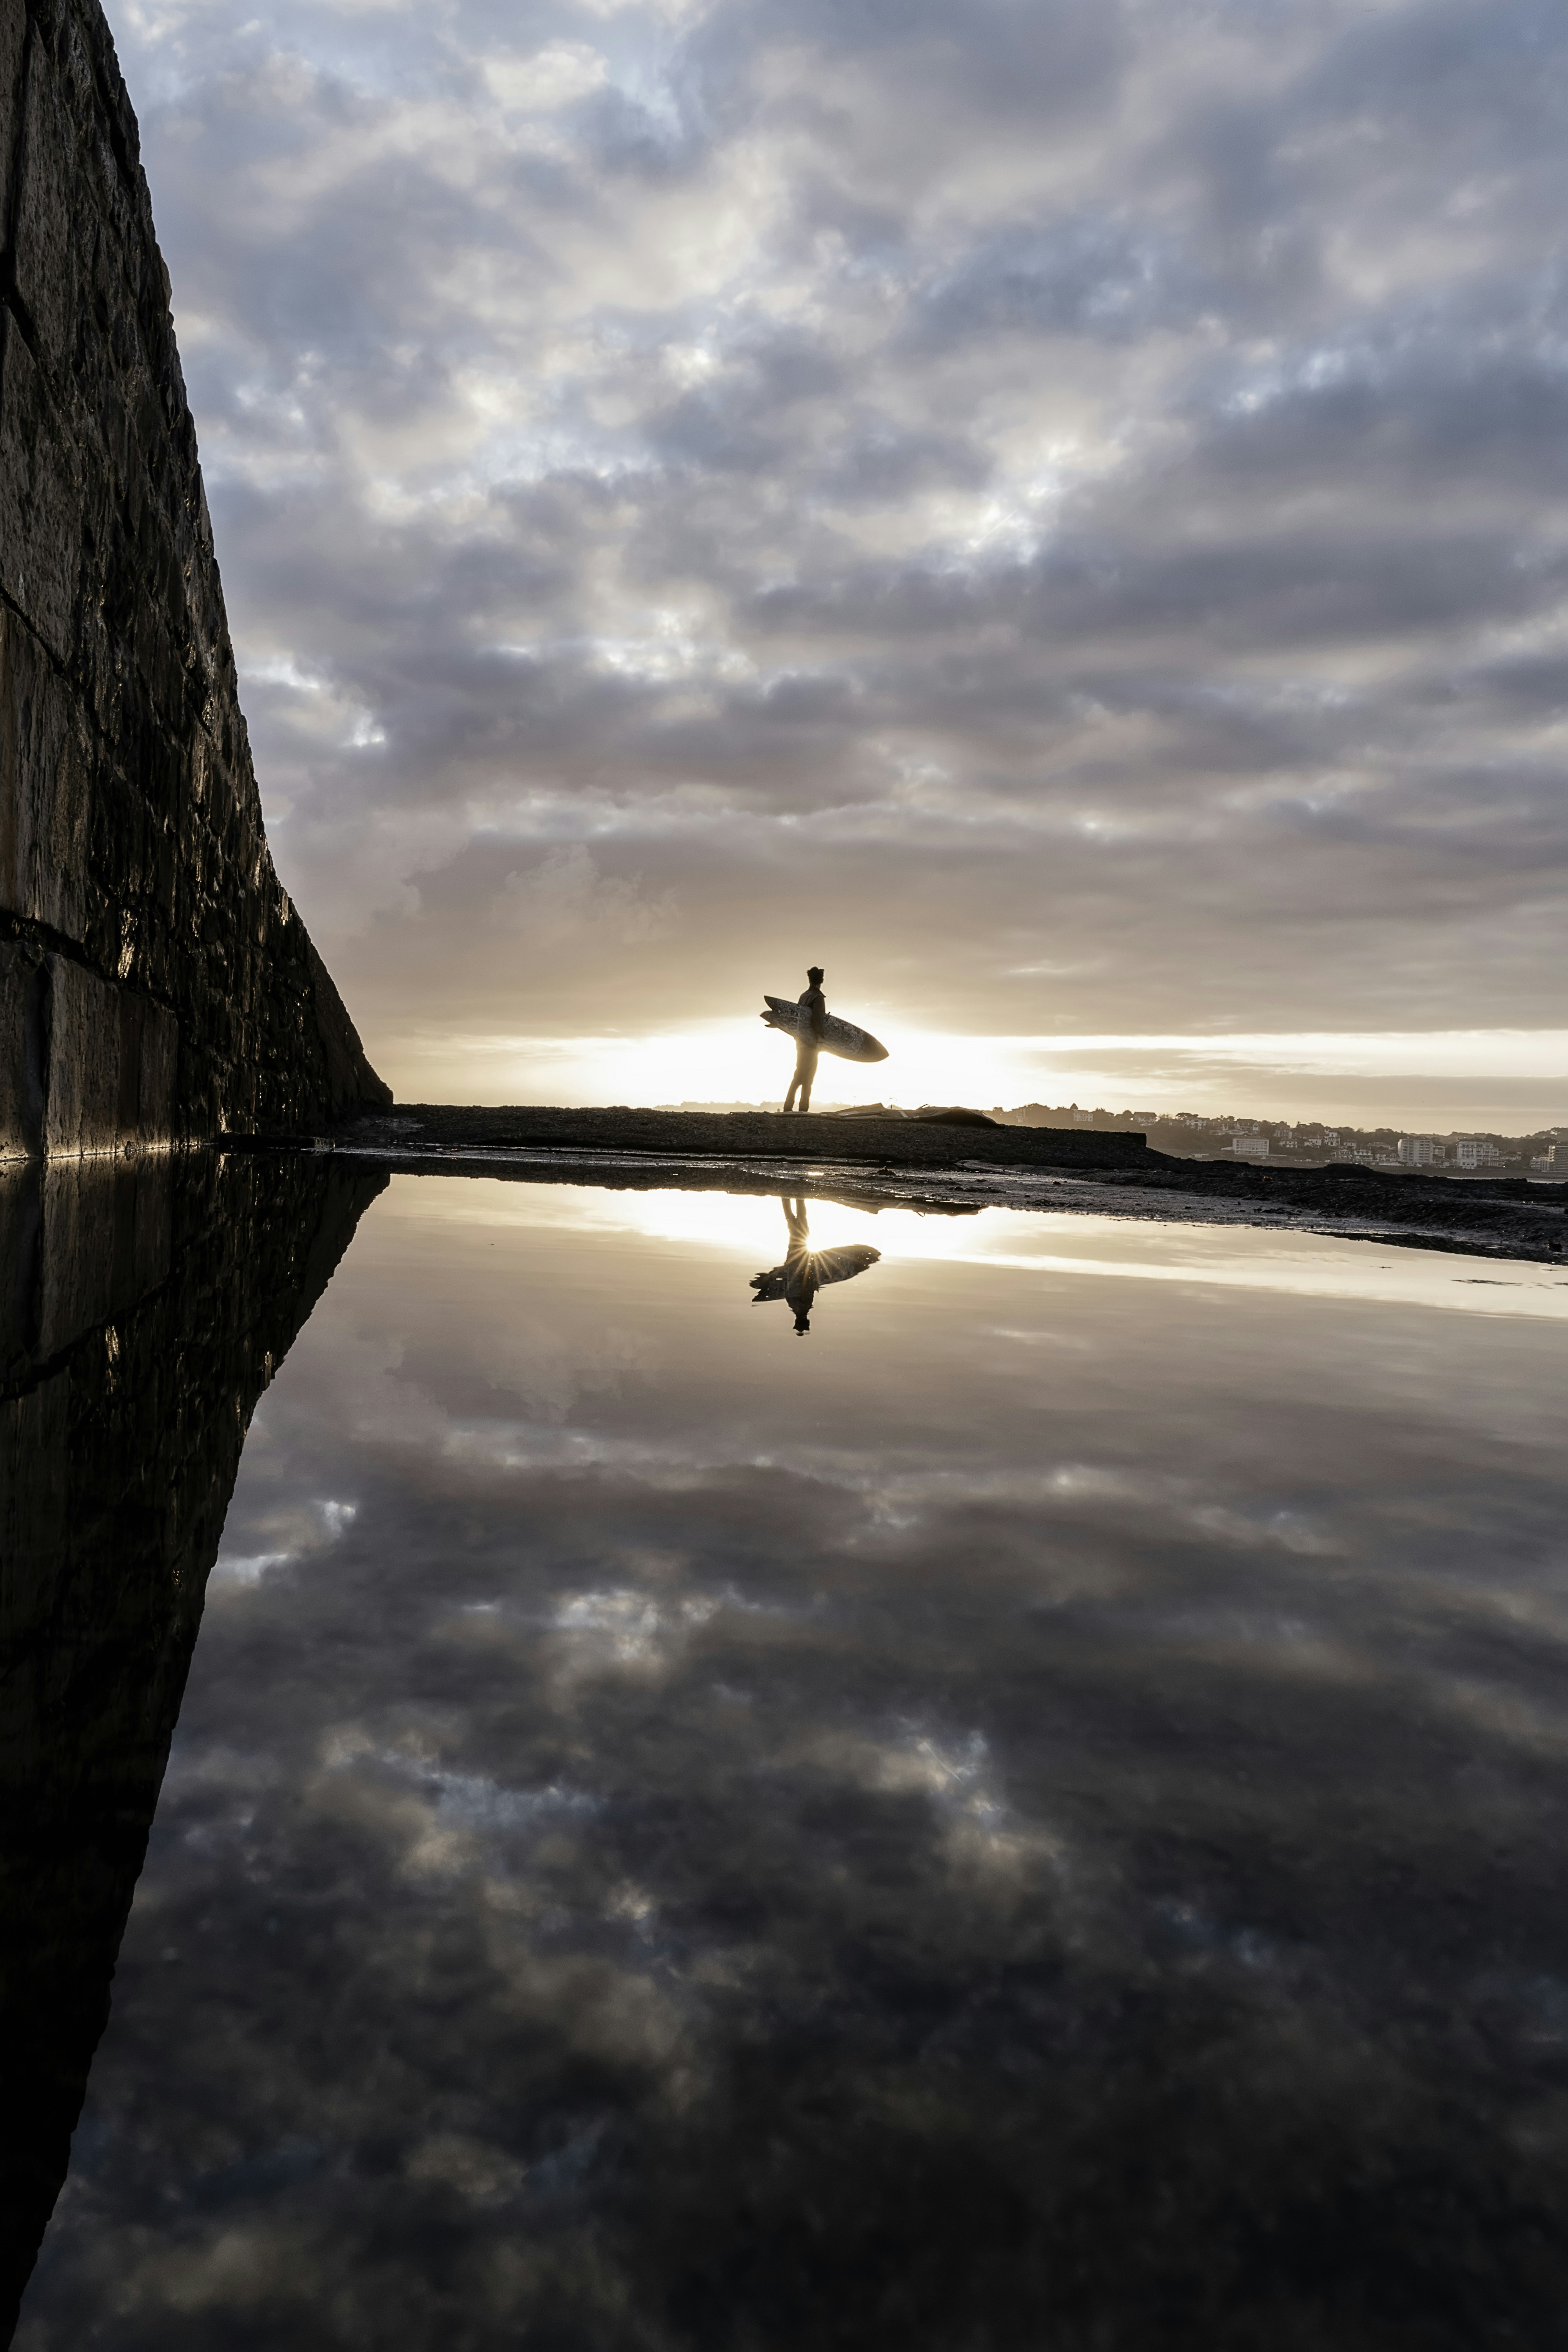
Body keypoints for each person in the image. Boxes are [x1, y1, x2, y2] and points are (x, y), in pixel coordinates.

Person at [783, 966, 827, 1114]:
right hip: (812, 1043)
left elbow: (799, 1018)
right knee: (808, 1078)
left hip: (800, 1042)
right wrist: (822, 1038)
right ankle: (803, 1110)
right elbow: (817, 1021)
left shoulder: (803, 996)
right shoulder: (818, 998)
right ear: (821, 980)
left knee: (798, 1074)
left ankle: (788, 1107)